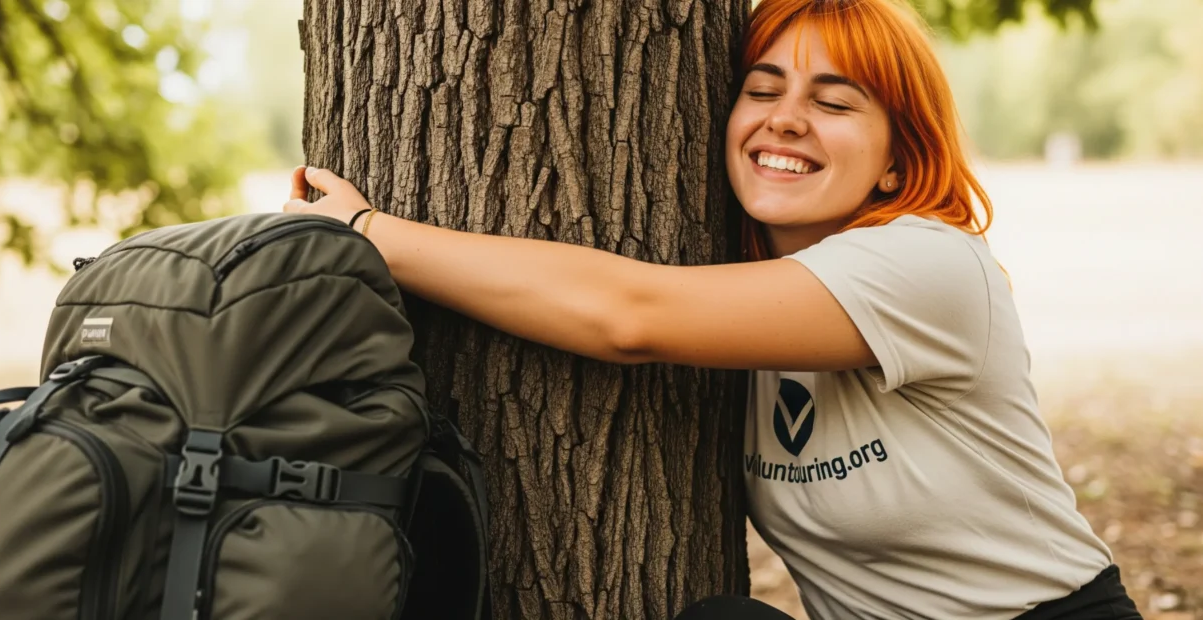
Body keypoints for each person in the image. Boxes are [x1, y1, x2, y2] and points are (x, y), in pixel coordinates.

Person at [283, 0, 1143, 617]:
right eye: (763, 90)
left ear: (895, 160)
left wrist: (369, 232)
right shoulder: (744, 296)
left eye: (836, 103)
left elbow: (631, 317)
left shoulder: (928, 264)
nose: (788, 120)